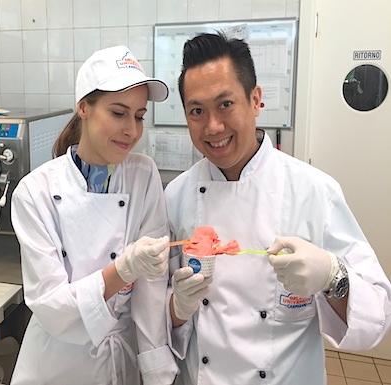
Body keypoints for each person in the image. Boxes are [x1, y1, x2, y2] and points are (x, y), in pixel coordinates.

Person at [164, 32, 391, 385]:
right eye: (197, 111)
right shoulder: (176, 196)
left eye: (225, 105)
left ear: (256, 100)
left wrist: (333, 277)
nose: (213, 127)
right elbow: (159, 318)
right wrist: (177, 308)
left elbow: (377, 316)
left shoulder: (315, 191)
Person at [10, 45, 179, 385]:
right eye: (119, 113)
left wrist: (157, 368)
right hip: (58, 363)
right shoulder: (34, 192)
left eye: (139, 115)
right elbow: (52, 305)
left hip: (122, 359)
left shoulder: (143, 174)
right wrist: (123, 269)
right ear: (84, 107)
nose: (132, 129)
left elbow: (150, 287)